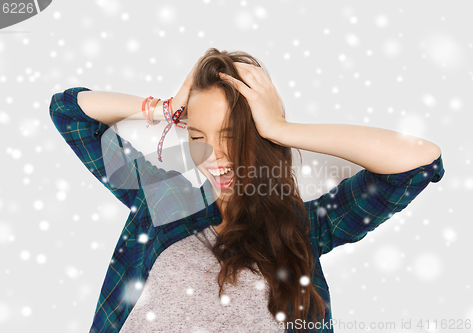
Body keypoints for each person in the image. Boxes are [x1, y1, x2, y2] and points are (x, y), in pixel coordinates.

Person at [49, 48, 445, 333]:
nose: (214, 156)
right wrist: (164, 108)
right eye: (199, 135)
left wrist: (281, 129)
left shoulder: (305, 229)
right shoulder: (164, 201)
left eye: (233, 136)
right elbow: (70, 113)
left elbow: (419, 163)